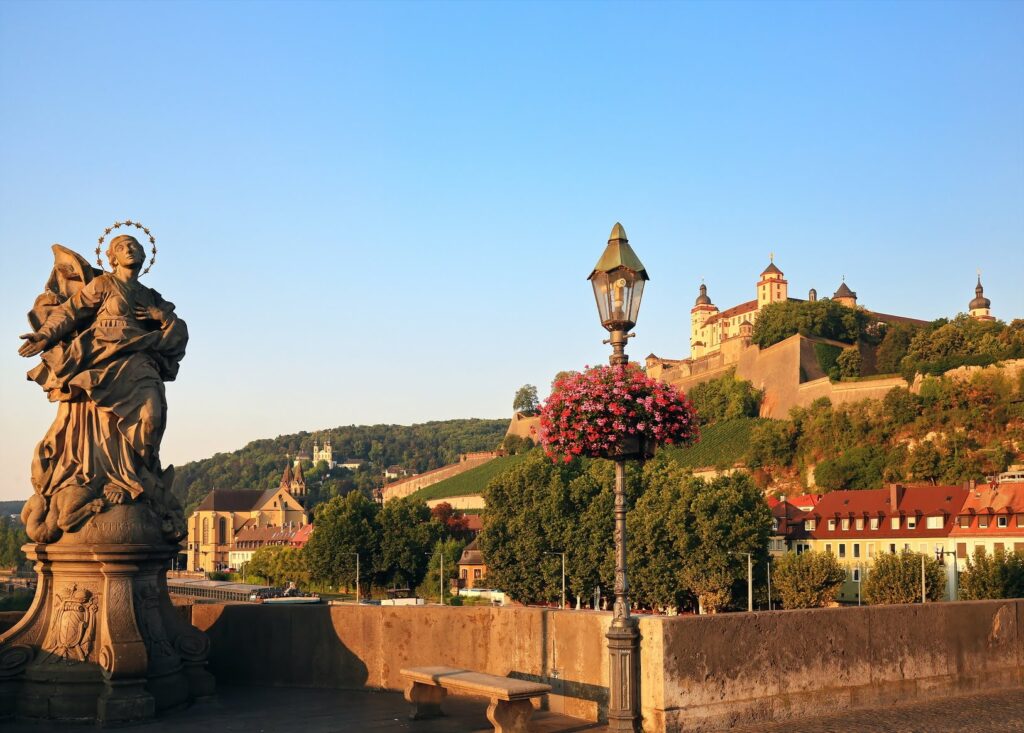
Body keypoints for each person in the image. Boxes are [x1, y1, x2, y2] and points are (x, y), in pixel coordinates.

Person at [18, 235, 188, 542]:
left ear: (144, 255)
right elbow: (70, 312)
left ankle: (136, 473)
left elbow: (179, 330)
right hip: (100, 358)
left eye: (134, 246)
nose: (130, 249)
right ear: (111, 258)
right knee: (102, 423)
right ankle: (113, 481)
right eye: (122, 247)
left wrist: (161, 317)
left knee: (151, 418)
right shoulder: (104, 284)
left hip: (139, 360)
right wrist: (44, 336)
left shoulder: (151, 296)